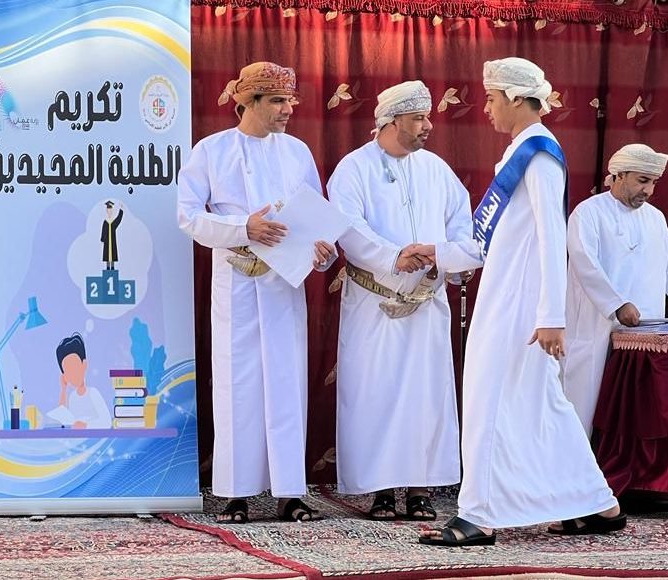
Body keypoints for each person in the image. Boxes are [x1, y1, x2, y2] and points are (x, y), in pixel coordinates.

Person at [420, 57, 625, 547]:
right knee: (542, 404)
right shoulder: (521, 152)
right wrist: (434, 253)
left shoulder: (539, 155)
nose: (486, 108)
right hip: (510, 297)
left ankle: (478, 515)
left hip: (522, 306)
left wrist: (551, 315)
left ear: (515, 98)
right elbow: (488, 242)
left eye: (492, 99)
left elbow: (554, 236)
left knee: (489, 399)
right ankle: (597, 504)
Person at [177, 61, 336, 523]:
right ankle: (235, 494)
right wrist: (243, 227)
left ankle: (290, 493)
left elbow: (315, 219)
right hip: (238, 281)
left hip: (284, 284)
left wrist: (322, 252)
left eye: (290, 101)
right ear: (248, 102)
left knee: (287, 382)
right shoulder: (212, 150)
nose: (287, 110)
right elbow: (188, 216)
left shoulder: (297, 152)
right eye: (277, 101)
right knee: (237, 384)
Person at [327, 81, 482, 521]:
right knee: (374, 392)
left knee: (425, 396)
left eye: (427, 117)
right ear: (391, 121)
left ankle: (420, 489)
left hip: (427, 304)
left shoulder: (436, 169)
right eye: (418, 118)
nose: (428, 126)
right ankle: (379, 490)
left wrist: (450, 257)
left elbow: (461, 224)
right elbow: (348, 227)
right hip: (374, 304)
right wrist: (394, 256)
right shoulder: (354, 169)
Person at [563, 144, 668, 434]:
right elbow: (585, 264)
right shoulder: (588, 213)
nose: (649, 191)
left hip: (644, 340)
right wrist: (616, 304)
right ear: (619, 175)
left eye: (653, 182)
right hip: (597, 328)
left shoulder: (655, 218)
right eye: (642, 181)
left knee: (635, 413)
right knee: (584, 409)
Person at [55, 333, 111, 429]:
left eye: (75, 367)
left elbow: (107, 421)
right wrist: (63, 390)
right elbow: (63, 420)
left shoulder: (92, 393)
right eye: (68, 371)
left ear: (84, 365)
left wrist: (86, 425)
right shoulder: (72, 397)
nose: (73, 374)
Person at [101, 201, 123, 270]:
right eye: (108, 210)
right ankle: (108, 268)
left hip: (112, 241)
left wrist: (121, 210)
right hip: (107, 241)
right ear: (106, 211)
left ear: (112, 210)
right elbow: (103, 230)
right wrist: (103, 238)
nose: (109, 211)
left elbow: (119, 219)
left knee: (113, 254)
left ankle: (112, 268)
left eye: (111, 210)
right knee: (107, 254)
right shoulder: (105, 222)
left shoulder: (113, 222)